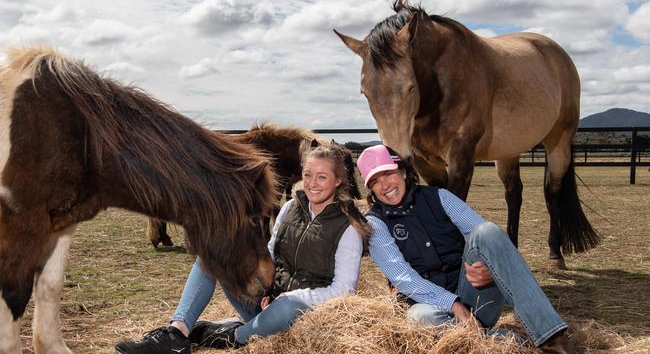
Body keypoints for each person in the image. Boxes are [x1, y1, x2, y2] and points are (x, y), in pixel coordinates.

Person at [115, 144, 370, 353]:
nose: (313, 184)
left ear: (338, 181)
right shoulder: (291, 208)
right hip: (266, 304)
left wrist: (291, 298)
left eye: (322, 177)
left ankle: (231, 336)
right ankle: (177, 332)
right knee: (213, 256)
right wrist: (268, 289)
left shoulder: (347, 226)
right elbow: (271, 254)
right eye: (307, 175)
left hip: (301, 315)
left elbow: (343, 289)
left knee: (287, 307)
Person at [356, 144, 576, 354]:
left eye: (389, 174)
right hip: (432, 309)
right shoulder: (376, 223)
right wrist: (454, 306)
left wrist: (489, 271)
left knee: (487, 231)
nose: (384, 185)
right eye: (375, 181)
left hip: (476, 296)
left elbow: (482, 237)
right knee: (419, 319)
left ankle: (552, 339)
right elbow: (404, 279)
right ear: (371, 189)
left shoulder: (439, 196)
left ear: (403, 172)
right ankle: (507, 340)